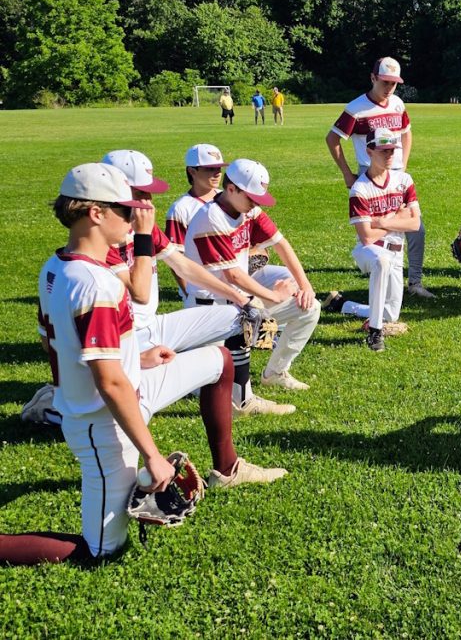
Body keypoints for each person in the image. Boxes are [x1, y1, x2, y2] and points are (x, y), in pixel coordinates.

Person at [1, 163, 285, 566]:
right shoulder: (94, 282)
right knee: (100, 550)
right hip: (104, 422)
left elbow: (70, 345)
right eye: (126, 209)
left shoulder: (57, 265)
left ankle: (228, 469)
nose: (136, 215)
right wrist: (151, 453)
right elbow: (110, 384)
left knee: (220, 361)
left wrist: (140, 356)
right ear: (95, 214)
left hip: (124, 389)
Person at [102, 150, 294, 417]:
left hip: (154, 326)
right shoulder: (103, 241)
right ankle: (54, 401)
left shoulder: (142, 228)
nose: (148, 200)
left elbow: (183, 265)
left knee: (239, 316)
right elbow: (140, 294)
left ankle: (242, 400)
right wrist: (144, 235)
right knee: (138, 400)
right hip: (125, 340)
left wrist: (242, 299)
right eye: (141, 193)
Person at [184, 158, 321, 395]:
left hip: (240, 303)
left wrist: (305, 285)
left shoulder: (248, 210)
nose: (255, 204)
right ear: (231, 189)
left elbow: (281, 244)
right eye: (251, 197)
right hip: (210, 310)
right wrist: (274, 296)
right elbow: (233, 275)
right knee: (208, 387)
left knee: (309, 307)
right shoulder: (211, 217)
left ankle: (275, 373)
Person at [326, 57, 434, 299]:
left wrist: (402, 166)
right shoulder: (356, 108)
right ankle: (383, 280)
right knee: (375, 231)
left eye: (394, 83)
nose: (389, 88)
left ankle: (414, 282)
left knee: (416, 227)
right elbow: (332, 139)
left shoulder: (397, 104)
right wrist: (347, 173)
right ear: (373, 78)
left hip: (396, 175)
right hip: (370, 175)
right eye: (385, 82)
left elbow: (407, 134)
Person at [349, 128, 422, 351]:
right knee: (381, 261)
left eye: (392, 150)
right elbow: (367, 236)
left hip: (396, 249)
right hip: (368, 251)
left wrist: (381, 221)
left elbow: (415, 224)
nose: (390, 155)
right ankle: (374, 331)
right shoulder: (360, 189)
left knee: (392, 312)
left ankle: (343, 304)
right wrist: (395, 217)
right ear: (369, 151)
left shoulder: (404, 180)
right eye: (384, 151)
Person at [165, 144, 227, 295]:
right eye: (209, 169)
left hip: (232, 280)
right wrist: (188, 293)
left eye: (219, 168)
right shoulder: (180, 209)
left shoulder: (228, 199)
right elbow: (175, 258)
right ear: (192, 171)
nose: (217, 173)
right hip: (202, 289)